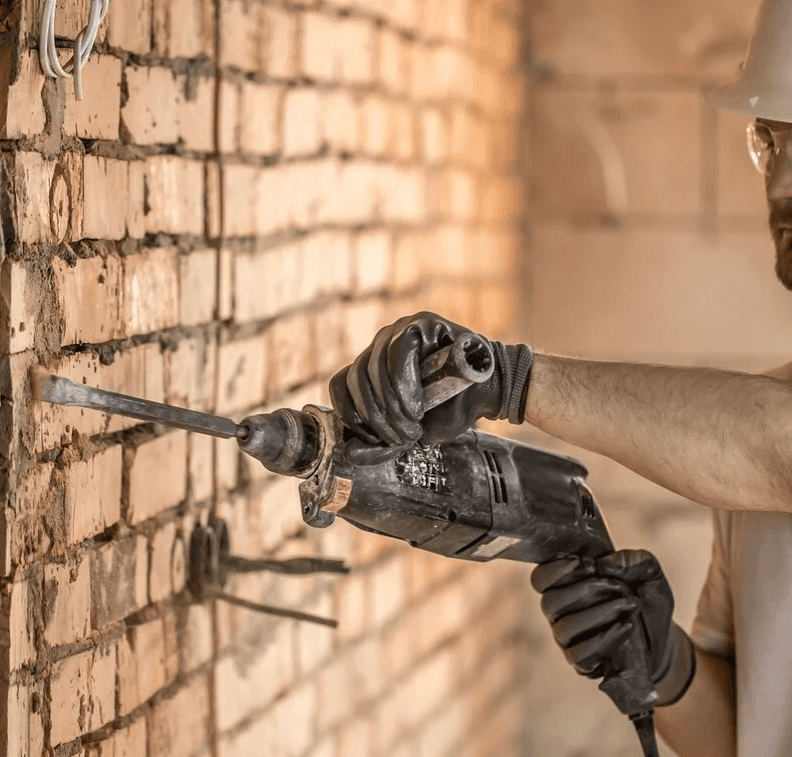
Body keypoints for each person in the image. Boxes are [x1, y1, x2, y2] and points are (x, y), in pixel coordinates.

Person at [327, 1, 792, 755]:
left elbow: (777, 447)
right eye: (771, 140)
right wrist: (664, 666)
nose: (783, 182)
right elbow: (745, 734)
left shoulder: (756, 444)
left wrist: (508, 380)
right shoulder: (744, 449)